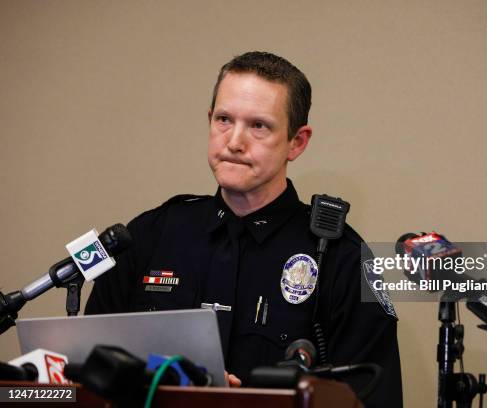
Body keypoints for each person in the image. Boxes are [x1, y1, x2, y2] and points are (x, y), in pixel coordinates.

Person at [85, 51, 403, 407]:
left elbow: (373, 397)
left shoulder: (343, 257)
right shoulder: (151, 233)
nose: (234, 141)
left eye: (259, 126)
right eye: (224, 119)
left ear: (297, 142)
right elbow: (89, 370)